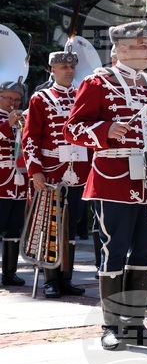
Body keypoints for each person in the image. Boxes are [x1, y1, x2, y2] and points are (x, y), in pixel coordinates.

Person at [65, 21, 147, 350]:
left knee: (142, 251)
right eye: (142, 44)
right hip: (114, 181)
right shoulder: (98, 82)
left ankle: (135, 323)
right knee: (114, 250)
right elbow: (73, 129)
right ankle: (111, 325)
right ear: (122, 49)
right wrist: (105, 129)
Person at [22, 48, 91, 298]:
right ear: (52, 70)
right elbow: (30, 139)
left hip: (79, 172)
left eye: (72, 67)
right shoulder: (41, 99)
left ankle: (66, 278)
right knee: (49, 226)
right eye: (64, 67)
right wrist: (35, 171)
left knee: (71, 226)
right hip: (51, 172)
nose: (69, 71)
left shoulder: (83, 97)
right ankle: (50, 279)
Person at [0, 80, 28, 288]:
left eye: (17, 100)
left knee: (14, 229)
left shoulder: (21, 118)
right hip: (1, 181)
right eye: (9, 98)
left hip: (19, 183)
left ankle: (10, 273)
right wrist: (6, 125)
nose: (13, 103)